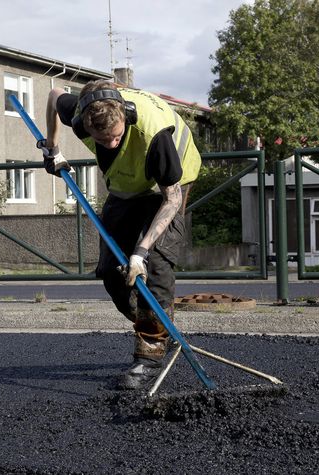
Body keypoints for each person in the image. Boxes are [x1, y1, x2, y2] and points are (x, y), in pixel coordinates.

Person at [42, 79, 201, 389]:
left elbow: (172, 200)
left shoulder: (156, 137)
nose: (110, 144)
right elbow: (53, 95)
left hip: (166, 185)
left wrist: (140, 253)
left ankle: (150, 354)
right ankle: (155, 320)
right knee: (113, 271)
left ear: (125, 117)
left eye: (115, 136)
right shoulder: (82, 113)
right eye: (102, 140)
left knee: (154, 265)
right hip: (127, 186)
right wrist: (53, 147)